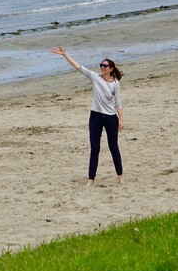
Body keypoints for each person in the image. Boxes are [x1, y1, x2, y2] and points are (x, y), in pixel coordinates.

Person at [51, 47, 124, 186]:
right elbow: (78, 66)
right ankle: (91, 179)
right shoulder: (94, 77)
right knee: (94, 148)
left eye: (105, 66)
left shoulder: (115, 84)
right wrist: (65, 55)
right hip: (95, 117)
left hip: (110, 118)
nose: (102, 68)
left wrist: (121, 120)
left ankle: (120, 176)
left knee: (113, 147)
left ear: (111, 68)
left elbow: (118, 103)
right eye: (101, 65)